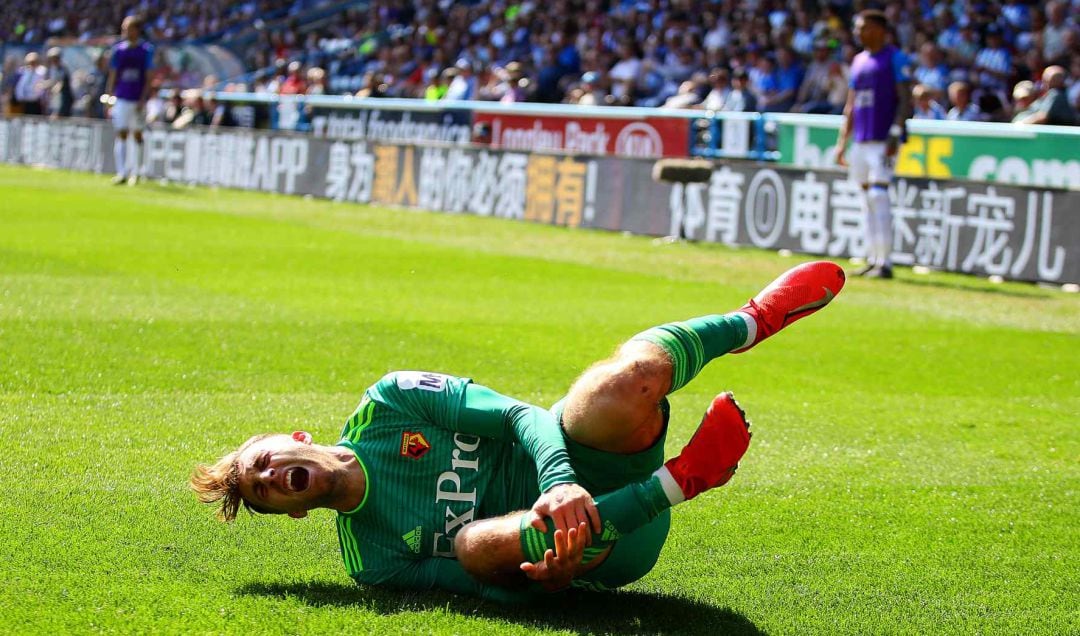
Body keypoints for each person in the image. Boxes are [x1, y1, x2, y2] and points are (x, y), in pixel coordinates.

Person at [191, 261, 846, 601]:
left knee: (621, 384)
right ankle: (679, 483)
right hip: (608, 542)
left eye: (265, 461)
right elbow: (486, 586)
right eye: (266, 491)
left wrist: (560, 480)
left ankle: (752, 321)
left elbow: (518, 416)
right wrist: (548, 577)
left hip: (581, 459)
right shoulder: (374, 561)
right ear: (295, 512)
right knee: (474, 545)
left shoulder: (389, 402)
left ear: (297, 438)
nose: (272, 476)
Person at [835, 9, 912, 281]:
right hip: (862, 139)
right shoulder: (858, 61)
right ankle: (872, 258)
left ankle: (886, 261)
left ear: (879, 30)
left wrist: (896, 131)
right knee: (865, 198)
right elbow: (851, 103)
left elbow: (905, 98)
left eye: (863, 27)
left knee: (879, 196)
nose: (858, 33)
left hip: (883, 138)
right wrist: (842, 141)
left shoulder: (895, 58)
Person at [106, 16, 154, 186]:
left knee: (138, 134)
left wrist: (143, 97)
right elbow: (113, 74)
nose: (125, 32)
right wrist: (110, 95)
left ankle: (137, 172)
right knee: (122, 133)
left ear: (137, 30)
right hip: (122, 97)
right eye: (123, 29)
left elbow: (149, 76)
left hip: (137, 98)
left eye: (128, 29)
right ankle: (122, 172)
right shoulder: (118, 50)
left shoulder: (146, 50)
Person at [44, 48, 73, 118]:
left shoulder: (63, 69)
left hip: (64, 98)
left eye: (55, 58)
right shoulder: (51, 69)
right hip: (54, 99)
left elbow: (60, 83)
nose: (53, 60)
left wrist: (55, 88)